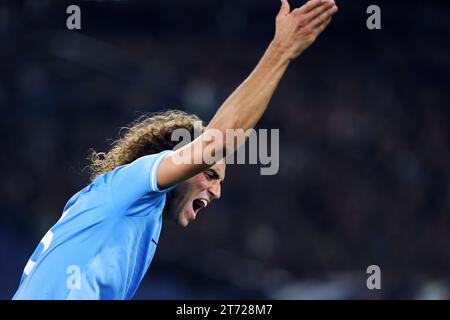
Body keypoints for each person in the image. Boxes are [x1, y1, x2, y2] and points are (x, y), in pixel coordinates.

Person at [13, 0, 338, 299]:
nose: (217, 191)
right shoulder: (131, 185)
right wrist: (280, 52)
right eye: (211, 174)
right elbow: (218, 140)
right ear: (176, 158)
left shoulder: (134, 218)